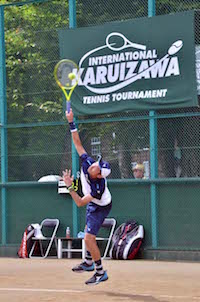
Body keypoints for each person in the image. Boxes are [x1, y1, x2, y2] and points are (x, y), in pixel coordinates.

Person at [62, 108, 112, 286]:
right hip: (93, 203)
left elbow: (80, 202)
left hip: (101, 205)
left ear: (99, 175)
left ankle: (100, 273)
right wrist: (71, 121)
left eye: (97, 168)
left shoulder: (97, 187)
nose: (93, 166)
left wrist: (69, 185)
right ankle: (89, 263)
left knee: (88, 238)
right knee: (88, 235)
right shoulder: (89, 162)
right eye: (96, 164)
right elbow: (77, 143)